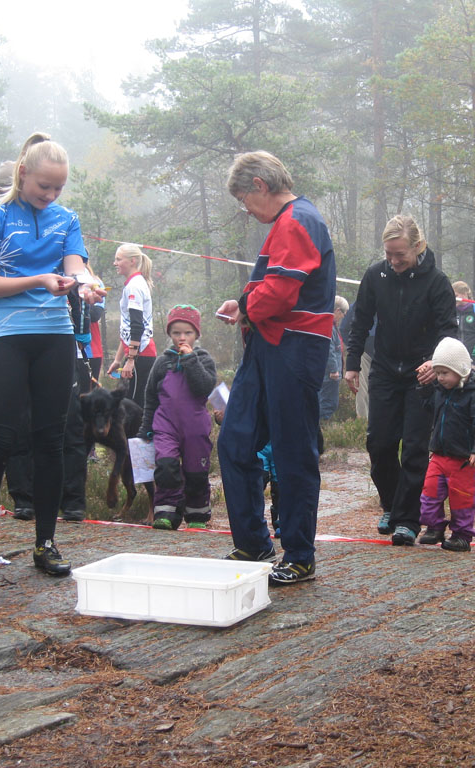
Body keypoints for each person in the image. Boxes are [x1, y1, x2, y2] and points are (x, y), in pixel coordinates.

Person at [0, 132, 100, 588]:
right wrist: (39, 279)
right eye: (43, 186)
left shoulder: (66, 218)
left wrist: (86, 281)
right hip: (7, 338)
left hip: (55, 337)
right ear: (23, 174)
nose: (51, 195)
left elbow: (75, 265)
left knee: (51, 438)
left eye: (58, 188)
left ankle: (46, 541)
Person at [216, 150, 335, 586]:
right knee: (235, 441)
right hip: (265, 345)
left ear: (259, 186)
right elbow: (270, 288)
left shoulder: (299, 219)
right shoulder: (285, 223)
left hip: (295, 348)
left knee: (292, 451)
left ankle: (300, 554)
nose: (246, 211)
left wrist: (246, 306)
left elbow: (283, 292)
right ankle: (253, 543)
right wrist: (244, 303)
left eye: (245, 202)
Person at [345, 215, 457, 545]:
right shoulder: (375, 275)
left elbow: (449, 331)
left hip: (420, 376)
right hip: (383, 371)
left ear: (418, 247)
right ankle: (391, 505)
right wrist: (352, 364)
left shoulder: (437, 282)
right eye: (389, 254)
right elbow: (360, 321)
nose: (394, 261)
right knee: (379, 444)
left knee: (414, 449)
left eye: (401, 255)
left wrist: (434, 364)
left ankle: (407, 519)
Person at [137, 304, 218, 531]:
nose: (182, 338)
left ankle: (197, 514)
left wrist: (191, 360)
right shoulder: (162, 362)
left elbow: (204, 387)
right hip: (166, 425)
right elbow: (150, 397)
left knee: (196, 471)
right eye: (176, 333)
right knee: (166, 466)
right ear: (169, 334)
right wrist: (145, 429)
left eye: (188, 333)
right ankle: (166, 512)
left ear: (196, 334)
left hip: (195, 427)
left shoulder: (203, 359)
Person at [417, 337, 475, 552]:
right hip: (439, 456)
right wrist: (424, 388)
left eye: (445, 373)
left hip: (464, 462)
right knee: (429, 495)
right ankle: (434, 527)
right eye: (438, 373)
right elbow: (428, 407)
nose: (440, 378)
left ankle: (462, 535)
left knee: (462, 501)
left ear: (461, 370)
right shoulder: (441, 392)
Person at [107, 244, 157, 407]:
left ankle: (139, 434)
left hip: (140, 355)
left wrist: (130, 360)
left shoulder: (134, 286)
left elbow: (137, 326)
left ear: (132, 261)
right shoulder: (133, 283)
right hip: (137, 354)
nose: (115, 263)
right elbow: (127, 329)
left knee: (133, 407)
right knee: (128, 404)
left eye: (118, 259)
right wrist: (118, 359)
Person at [319, 296, 349, 421]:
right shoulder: (329, 327)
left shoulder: (331, 326)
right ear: (337, 310)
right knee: (329, 403)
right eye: (343, 313)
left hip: (328, 373)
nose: (343, 316)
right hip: (330, 374)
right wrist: (333, 370)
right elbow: (329, 350)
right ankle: (321, 426)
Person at [453, 281, 475, 372]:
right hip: (455, 356)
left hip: (472, 357)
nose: (453, 298)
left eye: (456, 295)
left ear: (465, 294)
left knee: (471, 385)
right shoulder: (452, 311)